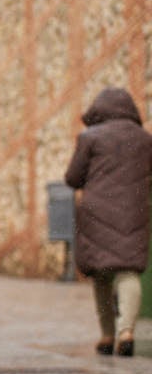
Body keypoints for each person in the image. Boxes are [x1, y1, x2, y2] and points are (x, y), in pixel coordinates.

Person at [65, 86, 152, 357]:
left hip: (96, 212)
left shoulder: (89, 137)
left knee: (101, 274)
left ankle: (106, 335)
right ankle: (126, 331)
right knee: (129, 270)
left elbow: (73, 178)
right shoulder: (144, 139)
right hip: (134, 211)